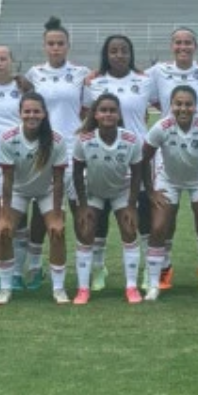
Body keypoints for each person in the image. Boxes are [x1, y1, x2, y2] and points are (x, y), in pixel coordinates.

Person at [145, 26, 198, 290]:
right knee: (166, 219)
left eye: (188, 42)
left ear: (195, 46)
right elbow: (135, 84)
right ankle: (164, 267)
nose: (183, 47)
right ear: (171, 46)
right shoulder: (158, 72)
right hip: (169, 157)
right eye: (178, 42)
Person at [141, 85, 198, 301]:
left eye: (188, 104)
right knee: (159, 227)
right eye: (178, 104)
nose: (183, 108)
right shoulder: (162, 126)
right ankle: (154, 284)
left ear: (195, 106)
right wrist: (151, 190)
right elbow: (144, 157)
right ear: (171, 106)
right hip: (169, 180)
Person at [82, 35, 154, 293]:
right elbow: (87, 114)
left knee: (142, 216)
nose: (119, 55)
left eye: (124, 50)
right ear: (106, 54)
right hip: (103, 155)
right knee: (98, 217)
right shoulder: (94, 82)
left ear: (130, 53)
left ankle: (147, 270)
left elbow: (161, 103)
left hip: (139, 156)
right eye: (113, 51)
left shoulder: (145, 81)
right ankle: (98, 269)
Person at [24, 17, 89, 291]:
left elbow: (87, 111)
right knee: (42, 212)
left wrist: (80, 136)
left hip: (73, 152)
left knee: (79, 208)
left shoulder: (82, 74)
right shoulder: (33, 74)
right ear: (44, 46)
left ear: (68, 45)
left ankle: (88, 268)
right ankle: (35, 267)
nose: (56, 48)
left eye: (60, 43)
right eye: (51, 44)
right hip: (44, 151)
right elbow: (28, 109)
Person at [0, 92, 71, 304]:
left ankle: (58, 288)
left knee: (57, 231)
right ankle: (5, 287)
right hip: (19, 190)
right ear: (20, 113)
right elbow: (8, 180)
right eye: (27, 111)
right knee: (3, 231)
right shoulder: (8, 138)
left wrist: (57, 215)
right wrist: (4, 215)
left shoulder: (56, 140)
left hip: (47, 190)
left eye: (36, 111)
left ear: (44, 114)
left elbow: (58, 181)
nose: (32, 115)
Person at [71, 94, 143, 304]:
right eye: (103, 110)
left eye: (112, 110)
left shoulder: (130, 139)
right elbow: (77, 174)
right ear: (95, 114)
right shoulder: (84, 140)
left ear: (119, 114)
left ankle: (131, 287)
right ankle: (83, 289)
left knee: (130, 229)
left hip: (121, 191)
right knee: (85, 230)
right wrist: (83, 206)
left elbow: (137, 173)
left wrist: (131, 204)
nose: (108, 114)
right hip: (93, 192)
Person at [0, 44, 32, 289]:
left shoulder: (23, 88)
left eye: (3, 59)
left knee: (18, 223)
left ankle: (17, 274)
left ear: (11, 61)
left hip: (19, 163)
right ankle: (2, 272)